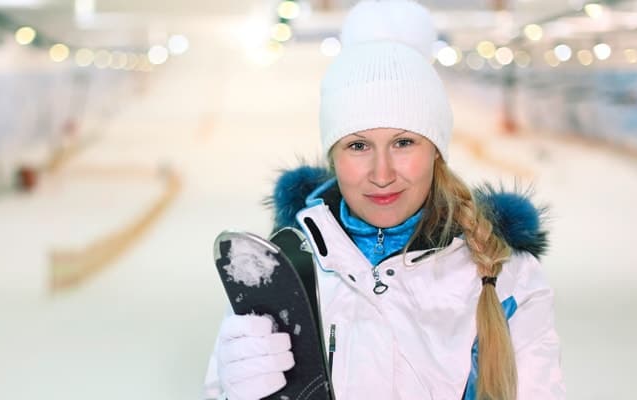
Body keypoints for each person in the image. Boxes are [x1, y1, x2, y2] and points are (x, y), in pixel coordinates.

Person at [202, 1, 565, 399]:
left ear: (436, 151)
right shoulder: (284, 271)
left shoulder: (505, 275)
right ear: (333, 156)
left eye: (404, 142)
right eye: (358, 145)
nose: (382, 173)